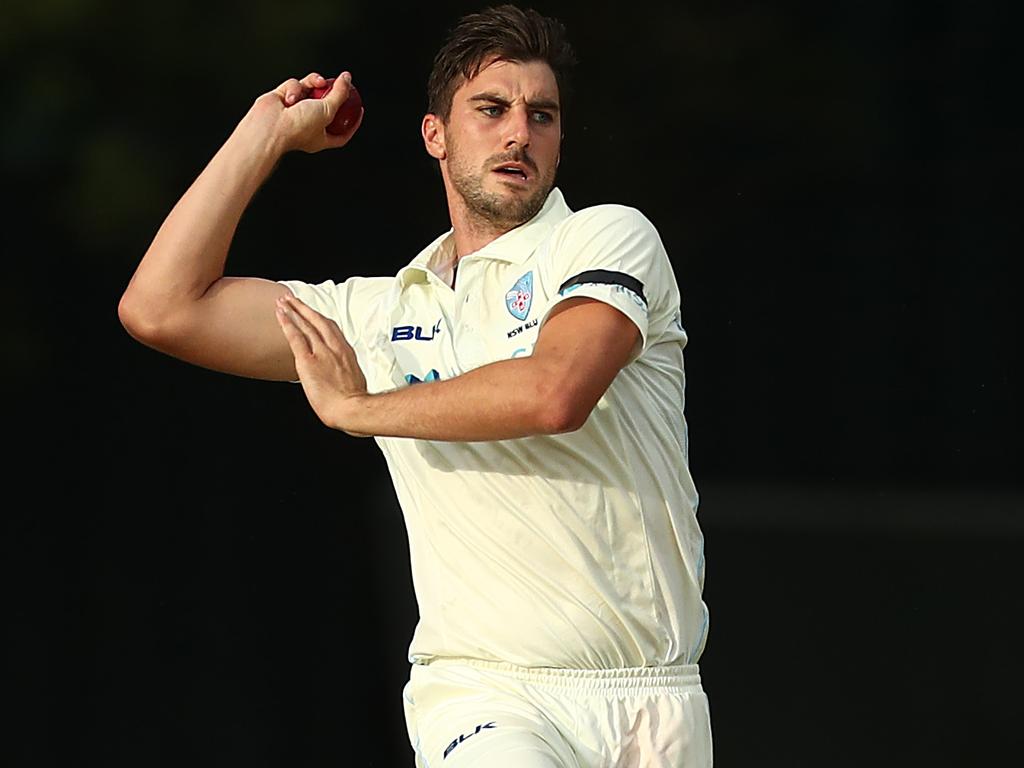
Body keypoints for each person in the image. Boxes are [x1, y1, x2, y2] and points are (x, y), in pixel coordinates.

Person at [118, 4, 712, 766]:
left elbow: (555, 392)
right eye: (491, 110)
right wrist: (262, 134)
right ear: (436, 134)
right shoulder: (380, 312)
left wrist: (358, 408)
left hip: (653, 699)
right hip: (481, 694)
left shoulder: (609, 237)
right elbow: (162, 308)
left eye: (542, 115)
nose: (518, 133)